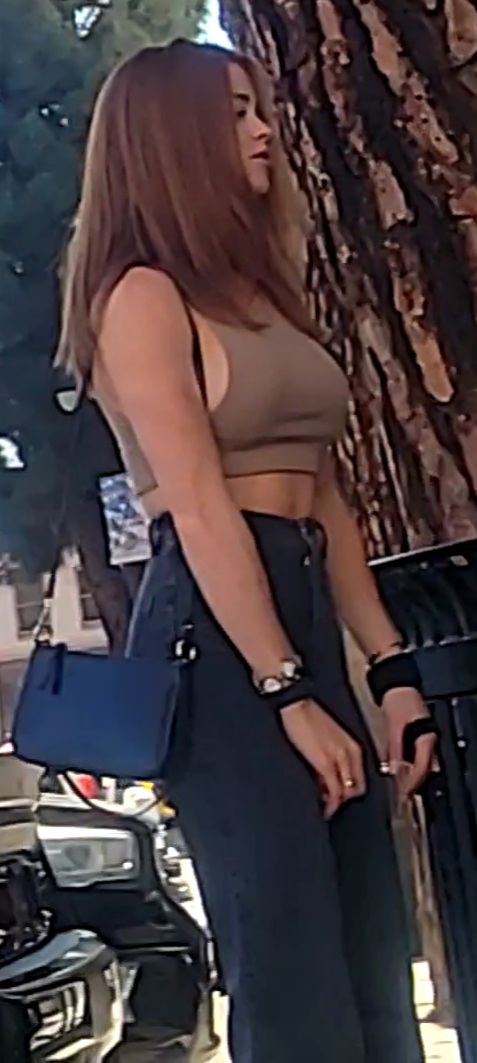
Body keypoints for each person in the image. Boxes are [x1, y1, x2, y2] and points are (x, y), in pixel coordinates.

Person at [56, 39, 435, 1063]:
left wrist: (388, 666)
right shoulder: (139, 298)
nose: (264, 130)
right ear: (173, 142)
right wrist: (285, 689)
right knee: (289, 952)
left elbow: (326, 496)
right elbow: (199, 507)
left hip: (295, 598)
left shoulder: (258, 294)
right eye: (234, 113)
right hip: (216, 635)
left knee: (372, 942)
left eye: (255, 107)